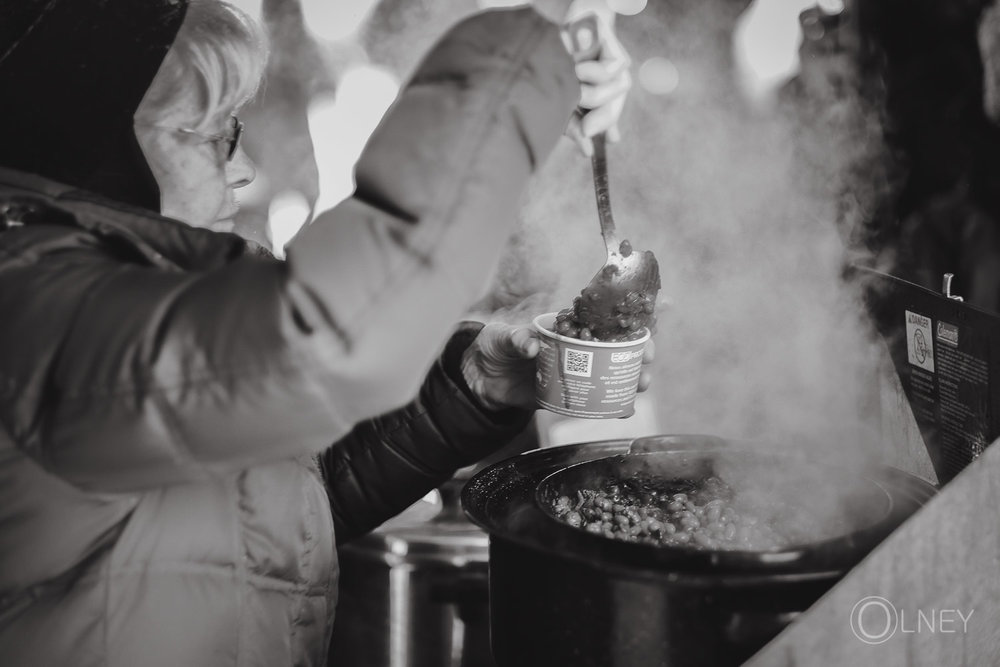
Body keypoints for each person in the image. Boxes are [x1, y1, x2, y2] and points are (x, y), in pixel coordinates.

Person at [0, 0, 644, 665]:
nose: (243, 165)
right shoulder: (35, 308)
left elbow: (261, 515)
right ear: (98, 149)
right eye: (214, 132)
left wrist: (466, 389)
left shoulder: (118, 304)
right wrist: (526, 58)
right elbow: (332, 337)